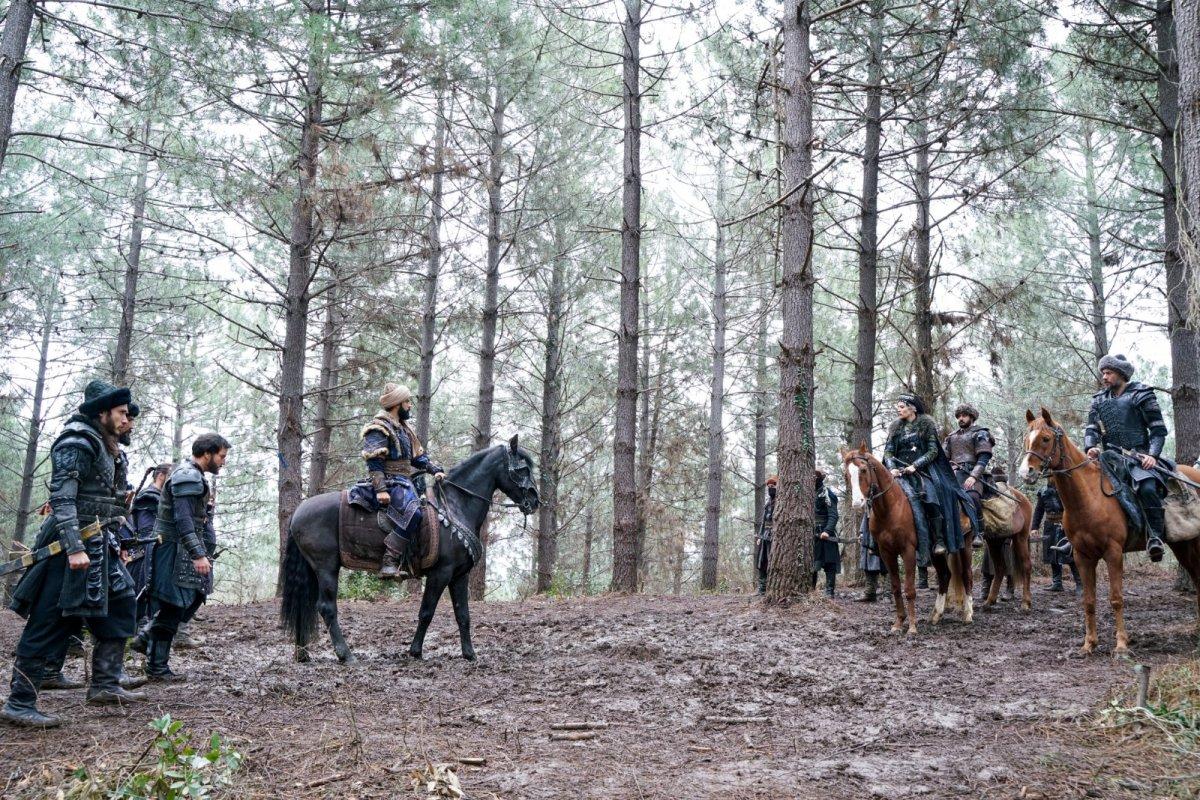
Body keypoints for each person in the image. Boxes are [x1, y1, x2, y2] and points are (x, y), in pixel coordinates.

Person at [2, 380, 145, 727]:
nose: (127, 420)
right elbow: (64, 499)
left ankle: (105, 684)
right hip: (71, 546)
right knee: (52, 620)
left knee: (123, 600)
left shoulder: (104, 443)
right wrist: (74, 547)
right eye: (122, 413)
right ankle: (19, 703)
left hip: (100, 543)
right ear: (103, 412)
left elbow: (96, 493)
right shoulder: (76, 440)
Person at [144, 433, 229, 682]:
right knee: (173, 605)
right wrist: (197, 553)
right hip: (173, 551)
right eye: (221, 456)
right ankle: (157, 666)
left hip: (180, 551)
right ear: (207, 453)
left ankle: (147, 644)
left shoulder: (192, 475)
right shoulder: (187, 476)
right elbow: (182, 520)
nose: (223, 462)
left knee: (184, 603)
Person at [349, 383, 444, 579]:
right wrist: (381, 489)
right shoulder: (379, 427)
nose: (410, 405)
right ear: (396, 404)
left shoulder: (404, 429)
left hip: (404, 481)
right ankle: (389, 560)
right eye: (407, 401)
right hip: (389, 482)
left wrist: (434, 469)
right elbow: (374, 461)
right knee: (414, 513)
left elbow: (417, 458)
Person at [1082, 353, 1169, 561]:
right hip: (1109, 459)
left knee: (1147, 487)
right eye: (1103, 372)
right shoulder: (1099, 400)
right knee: (1082, 486)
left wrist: (1152, 456)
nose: (1104, 377)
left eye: (1109, 373)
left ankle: (1155, 537)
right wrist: (1091, 447)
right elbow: (1091, 428)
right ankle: (1077, 537)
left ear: (1121, 374)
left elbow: (1158, 431)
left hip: (1139, 457)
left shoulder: (1142, 394)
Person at [883, 394, 979, 562]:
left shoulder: (927, 425)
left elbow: (933, 451)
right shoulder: (894, 428)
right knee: (878, 496)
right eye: (897, 407)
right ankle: (872, 540)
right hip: (898, 472)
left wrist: (915, 465)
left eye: (902, 406)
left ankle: (939, 540)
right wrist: (891, 468)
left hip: (922, 472)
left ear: (912, 408)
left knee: (932, 496)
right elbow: (888, 452)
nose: (898, 409)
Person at [943, 403, 994, 548]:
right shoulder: (951, 437)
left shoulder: (981, 432)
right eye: (958, 416)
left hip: (973, 473)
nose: (961, 418)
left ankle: (979, 532)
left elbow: (984, 457)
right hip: (953, 475)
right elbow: (943, 458)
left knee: (972, 496)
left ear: (971, 417)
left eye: (964, 415)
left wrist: (973, 476)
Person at [1034, 483, 1080, 593]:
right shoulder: (1043, 491)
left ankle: (1080, 583)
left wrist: (1068, 522)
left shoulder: (1065, 487)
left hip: (1066, 526)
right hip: (1049, 525)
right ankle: (1057, 583)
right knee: (1052, 554)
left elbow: (1072, 507)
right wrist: (1034, 527)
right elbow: (1039, 510)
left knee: (1069, 554)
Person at [811, 469, 840, 597]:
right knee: (812, 563)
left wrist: (827, 531)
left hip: (826, 533)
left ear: (820, 479)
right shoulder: (808, 494)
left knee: (830, 563)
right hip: (812, 534)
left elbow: (833, 515)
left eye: (814, 477)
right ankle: (811, 591)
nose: (811, 479)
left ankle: (829, 592)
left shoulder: (828, 494)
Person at [755, 477, 777, 596]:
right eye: (768, 487)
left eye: (773, 486)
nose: (770, 489)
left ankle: (772, 587)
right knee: (762, 561)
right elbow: (764, 521)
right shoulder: (768, 502)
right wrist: (760, 536)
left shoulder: (782, 502)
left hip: (776, 535)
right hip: (765, 535)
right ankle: (762, 589)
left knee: (773, 560)